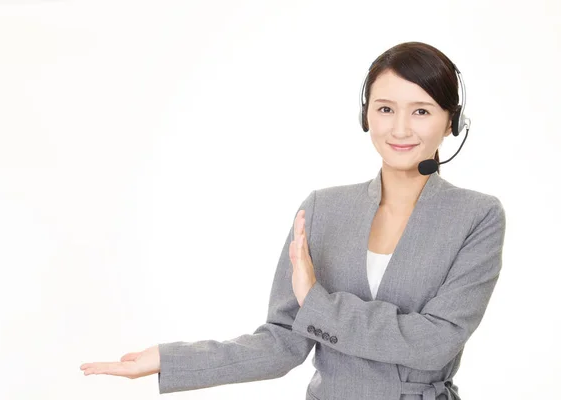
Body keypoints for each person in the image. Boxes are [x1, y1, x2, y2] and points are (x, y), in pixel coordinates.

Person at [80, 41, 506, 400]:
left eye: (421, 111)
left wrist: (317, 302)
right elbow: (284, 342)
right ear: (366, 116)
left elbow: (435, 343)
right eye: (385, 108)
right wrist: (172, 360)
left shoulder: (477, 216)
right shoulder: (324, 208)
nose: (399, 129)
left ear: (451, 120)